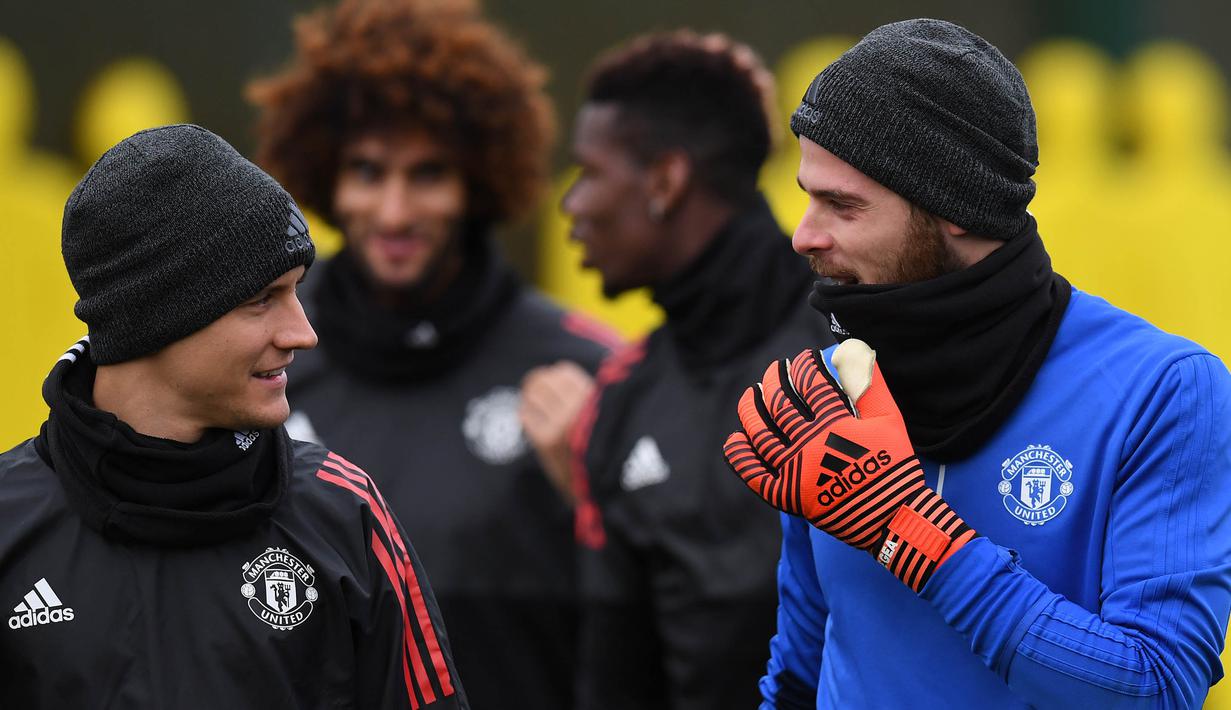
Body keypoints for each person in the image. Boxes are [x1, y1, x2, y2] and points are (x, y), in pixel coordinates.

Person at [722, 19, 1231, 708]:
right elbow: (799, 671)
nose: (803, 235)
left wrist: (913, 534)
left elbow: (1159, 688)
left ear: (955, 207)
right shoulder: (832, 385)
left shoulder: (1163, 389)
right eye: (808, 195)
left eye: (841, 205)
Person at [0, 124, 466, 709]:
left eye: (296, 292)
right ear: (157, 317)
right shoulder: (10, 526)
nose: (302, 333)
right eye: (261, 300)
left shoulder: (342, 514)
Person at [247, 2, 615, 707]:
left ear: (475, 183)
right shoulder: (256, 362)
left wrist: (598, 501)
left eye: (427, 174)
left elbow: (677, 623)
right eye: (367, 171)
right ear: (326, 179)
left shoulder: (581, 368)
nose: (393, 212)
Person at [540, 30, 834, 709]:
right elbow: (617, 679)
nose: (571, 205)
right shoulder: (621, 397)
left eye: (590, 173)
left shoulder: (854, 348)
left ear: (665, 180)